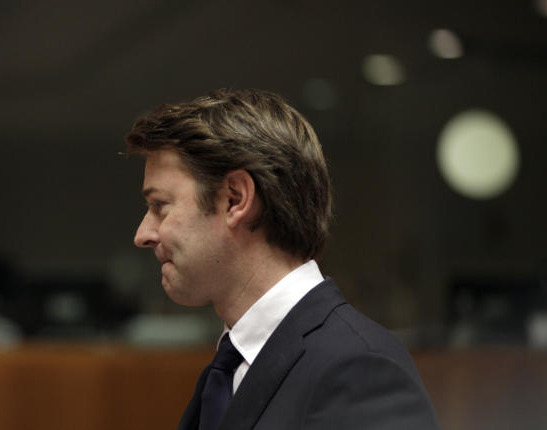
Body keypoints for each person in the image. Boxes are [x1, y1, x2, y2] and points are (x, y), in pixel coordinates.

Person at [126, 89, 439, 430]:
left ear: (235, 199)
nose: (143, 234)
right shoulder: (231, 366)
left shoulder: (360, 369)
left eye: (159, 206)